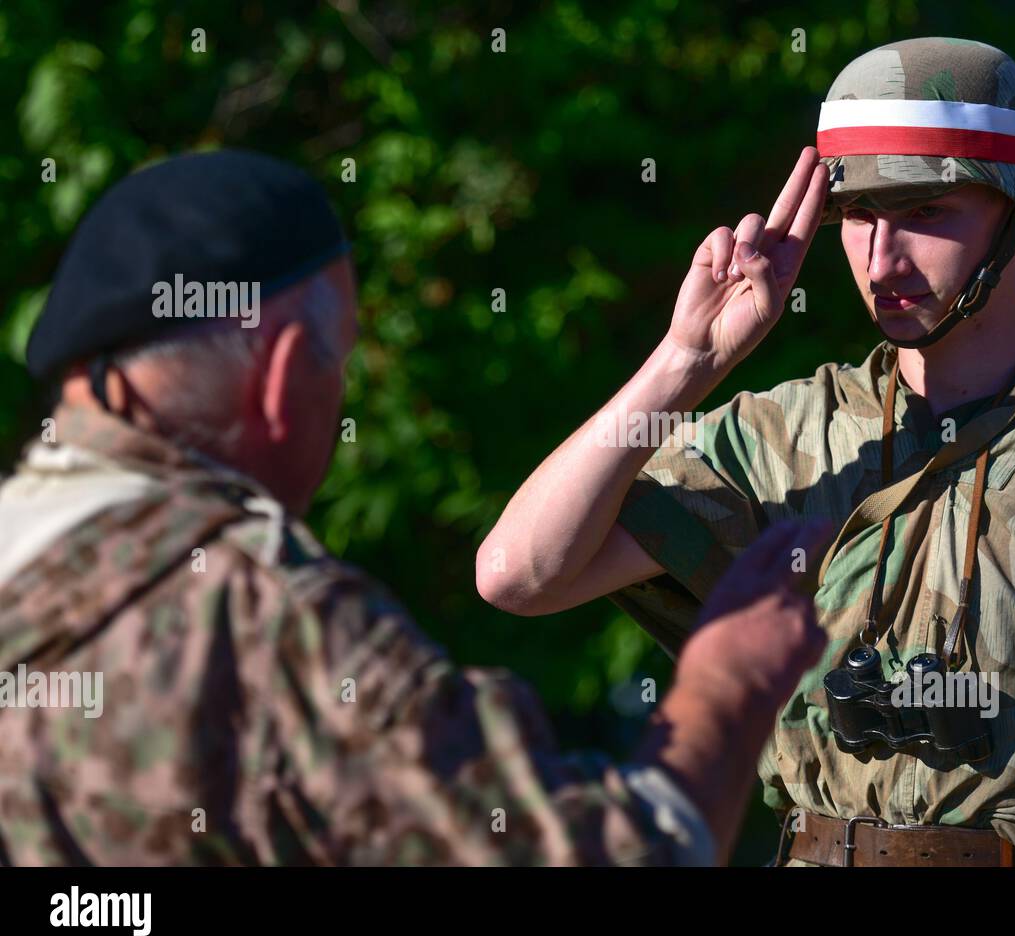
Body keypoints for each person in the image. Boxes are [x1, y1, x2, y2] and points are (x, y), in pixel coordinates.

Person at [478, 37, 1015, 866]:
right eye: (859, 216)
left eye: (926, 213)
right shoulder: (783, 438)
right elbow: (518, 573)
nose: (881, 259)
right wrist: (686, 363)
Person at [0, 149, 834, 866]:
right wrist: (725, 688)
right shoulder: (264, 615)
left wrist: (684, 361)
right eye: (343, 363)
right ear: (287, 378)